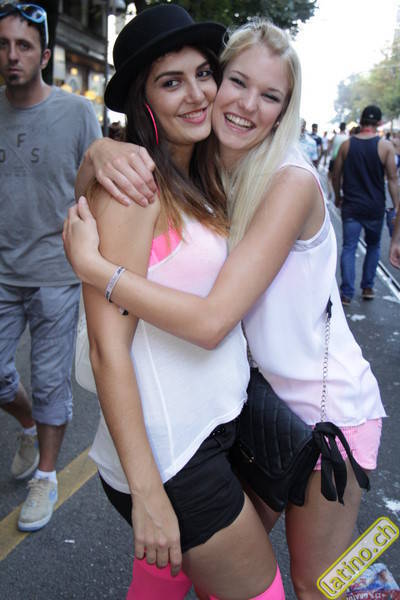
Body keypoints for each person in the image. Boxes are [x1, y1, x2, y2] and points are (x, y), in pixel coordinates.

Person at [65, 13, 386, 598]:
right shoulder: (197, 174)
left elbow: (213, 320)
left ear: (286, 110)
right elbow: (110, 347)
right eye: (235, 81)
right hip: (235, 421)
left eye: (270, 96)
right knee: (197, 574)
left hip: (323, 414)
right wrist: (98, 153)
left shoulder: (279, 180)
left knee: (320, 583)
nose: (234, 102)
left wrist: (96, 268)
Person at [67, 6, 283, 600]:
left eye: (204, 73)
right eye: (171, 82)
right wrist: (148, 493)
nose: (197, 94)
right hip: (173, 459)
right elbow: (108, 350)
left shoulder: (204, 176)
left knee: (161, 589)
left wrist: (93, 153)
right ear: (143, 101)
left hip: (212, 429)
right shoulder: (135, 190)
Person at [0, 2, 102, 532]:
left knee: (48, 383)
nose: (12, 55)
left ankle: (46, 475)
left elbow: (98, 189)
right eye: (3, 45)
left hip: (56, 272)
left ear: (44, 55)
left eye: (23, 46)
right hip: (2, 270)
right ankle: (27, 425)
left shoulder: (77, 113)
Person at [332, 105, 399, 305]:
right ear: (379, 123)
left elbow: (336, 175)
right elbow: (392, 179)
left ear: (361, 121)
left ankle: (346, 292)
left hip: (351, 206)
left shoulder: (347, 145)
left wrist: (337, 196)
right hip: (374, 208)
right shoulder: (385, 147)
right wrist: (396, 205)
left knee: (349, 247)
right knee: (373, 246)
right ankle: (368, 287)